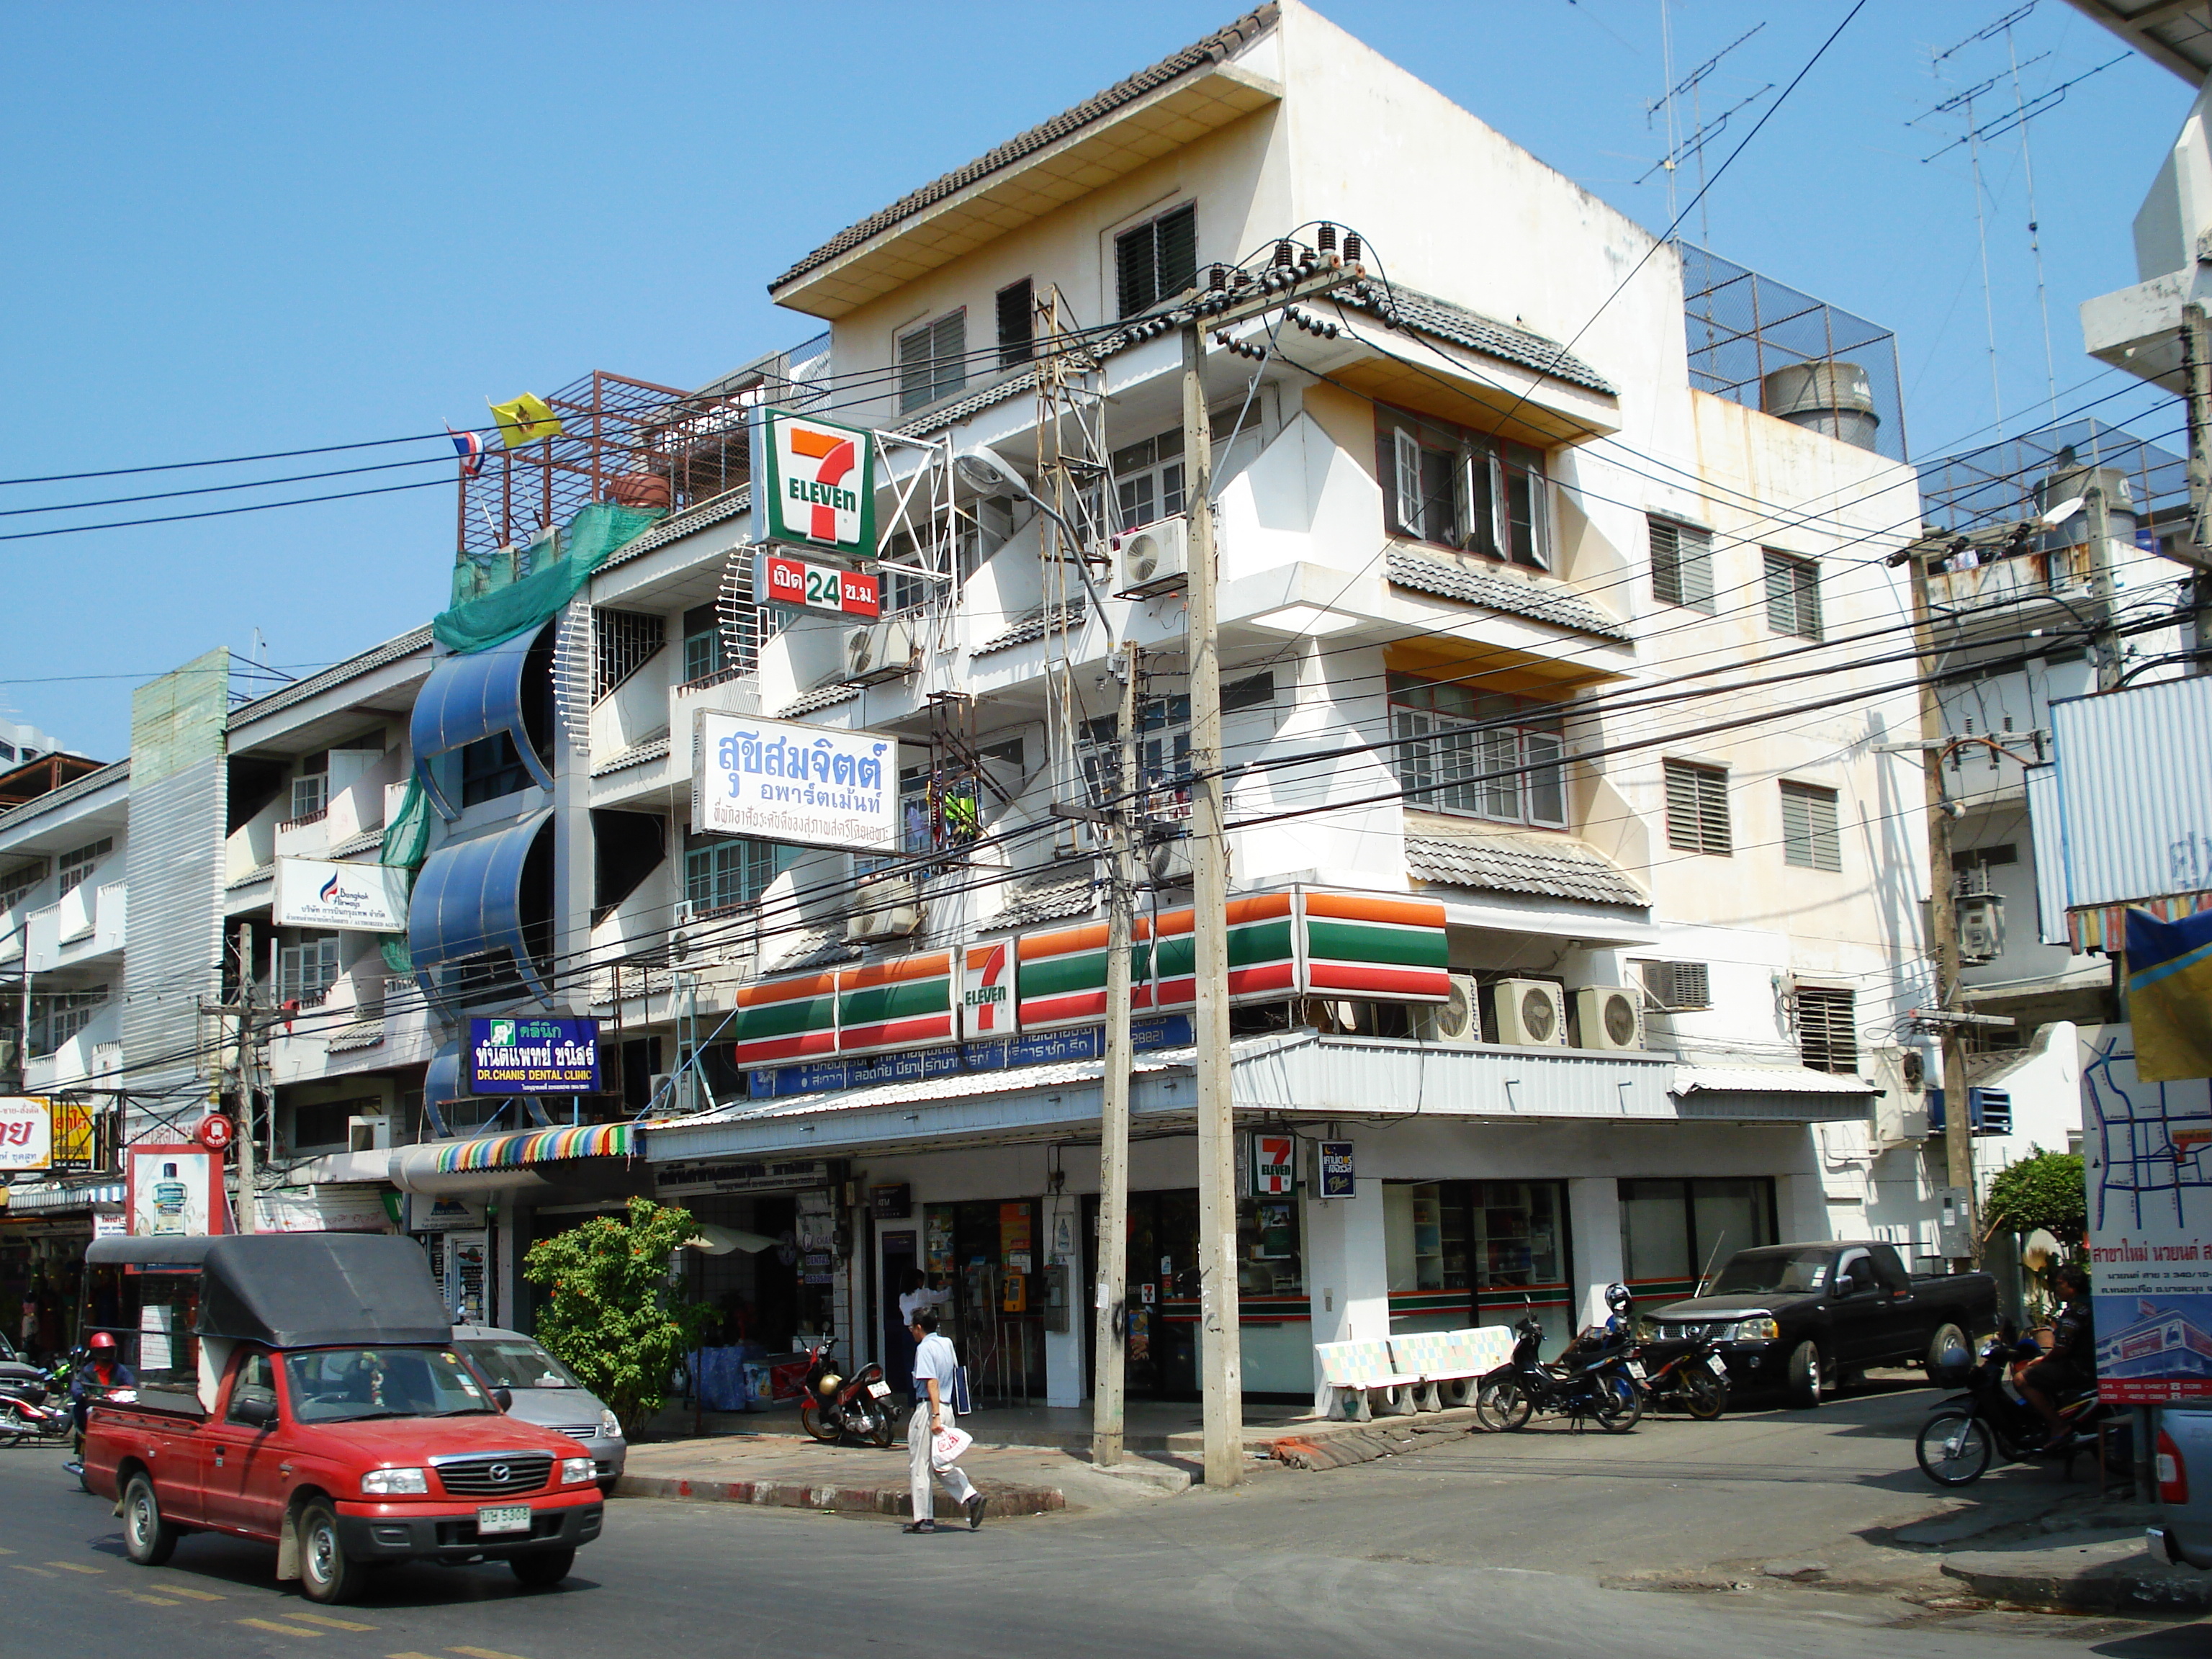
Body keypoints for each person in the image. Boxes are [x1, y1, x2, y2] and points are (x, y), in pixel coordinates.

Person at [903, 1310, 982, 1534]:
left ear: (919, 1327)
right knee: (940, 1463)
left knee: (920, 1465)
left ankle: (923, 1519)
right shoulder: (947, 1343)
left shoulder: (924, 1348)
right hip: (947, 1407)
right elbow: (957, 1374)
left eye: (912, 1327)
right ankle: (971, 1496)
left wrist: (935, 1416)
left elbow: (932, 1383)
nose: (911, 1332)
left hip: (931, 1408)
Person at [2022, 1263, 2096, 1447]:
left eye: (2060, 1284)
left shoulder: (2077, 1309)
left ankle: (2057, 1425)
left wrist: (2042, 1360)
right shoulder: (2090, 1303)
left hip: (2080, 1367)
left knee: (2021, 1379)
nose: (2057, 1289)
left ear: (2073, 1285)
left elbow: (2062, 1348)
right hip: (2090, 1364)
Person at [70, 1331, 136, 1437]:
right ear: (96, 1352)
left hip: (115, 1408)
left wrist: (118, 1392)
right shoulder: (87, 1371)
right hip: (94, 1409)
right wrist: (85, 1396)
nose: (107, 1354)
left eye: (110, 1351)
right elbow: (76, 1389)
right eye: (104, 1351)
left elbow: (131, 1384)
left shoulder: (120, 1370)